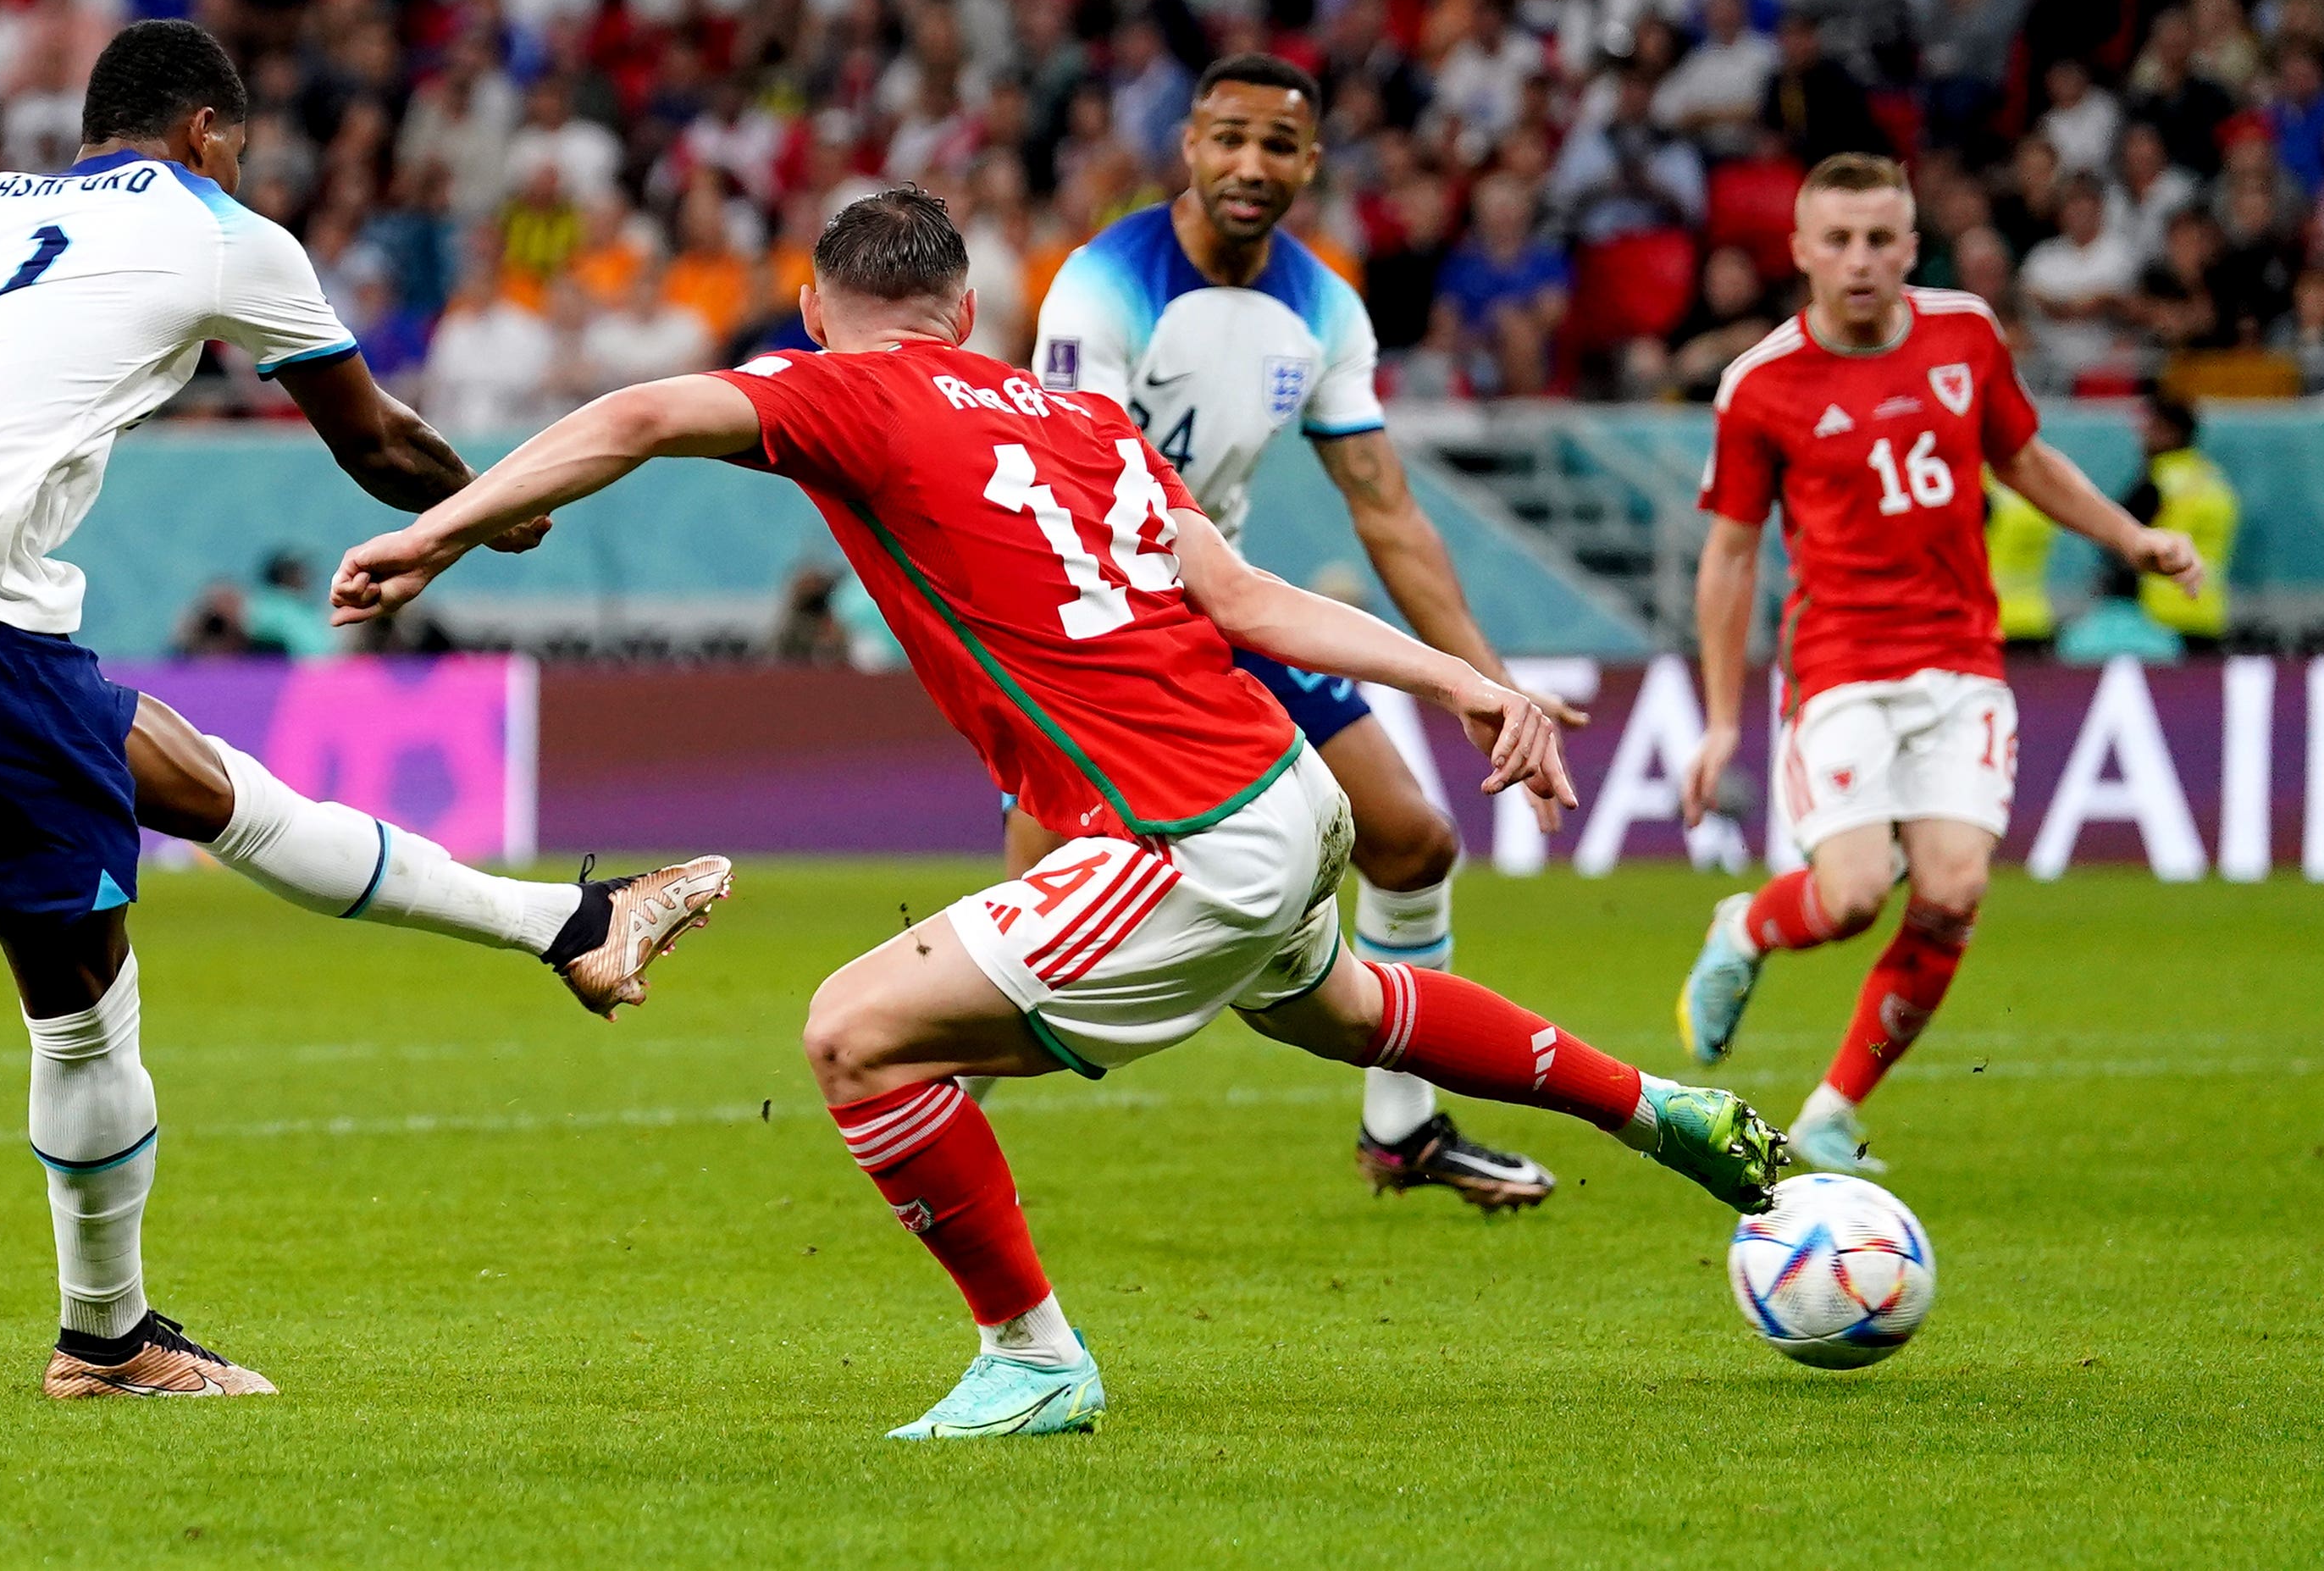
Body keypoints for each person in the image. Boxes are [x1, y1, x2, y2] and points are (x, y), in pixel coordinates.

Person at [331, 185, 1788, 1440]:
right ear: (965, 310)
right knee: (1339, 1009)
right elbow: (1244, 598)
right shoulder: (1089, 421)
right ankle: (1659, 1109)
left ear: (812, 307)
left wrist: (435, 531)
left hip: (1179, 834)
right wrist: (1461, 679)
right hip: (1281, 780)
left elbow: (644, 410)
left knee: (853, 1033)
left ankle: (1030, 1358)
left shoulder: (844, 388)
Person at [0, 21, 731, 1402]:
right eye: (243, 145)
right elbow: (380, 443)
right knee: (85, 1015)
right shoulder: (221, 229)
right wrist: (494, 506)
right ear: (208, 132)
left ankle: (568, 923)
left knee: (218, 794)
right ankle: (107, 1338)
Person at [1026, 57, 1589, 1211]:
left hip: (1223, 602)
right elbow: (1068, 477)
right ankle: (908, 1111)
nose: (1249, 165)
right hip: (1085, 615)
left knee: (1410, 842)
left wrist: (1488, 684)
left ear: (1309, 162)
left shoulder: (1323, 305)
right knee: (1027, 928)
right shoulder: (1101, 286)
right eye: (1227, 137)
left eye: (1275, 146)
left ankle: (1404, 1132)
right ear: (1187, 143)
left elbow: (1383, 506)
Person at [1676, 154, 2200, 1172]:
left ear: (1912, 246)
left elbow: (2023, 458)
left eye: (1880, 239)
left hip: (1961, 658)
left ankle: (1832, 1108)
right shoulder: (1760, 387)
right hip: (1838, 666)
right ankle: (1744, 928)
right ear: (1799, 252)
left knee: (1954, 892)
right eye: (1837, 240)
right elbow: (1730, 554)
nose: (1860, 260)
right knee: (1855, 894)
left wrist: (2130, 539)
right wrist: (1720, 720)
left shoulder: (1965, 333)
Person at [2122, 396, 2236, 650]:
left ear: (2170, 432)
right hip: (2209, 613)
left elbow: (2119, 537)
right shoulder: (2215, 479)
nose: (2143, 437)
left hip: (2158, 619)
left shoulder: (2157, 482)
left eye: (2151, 428)